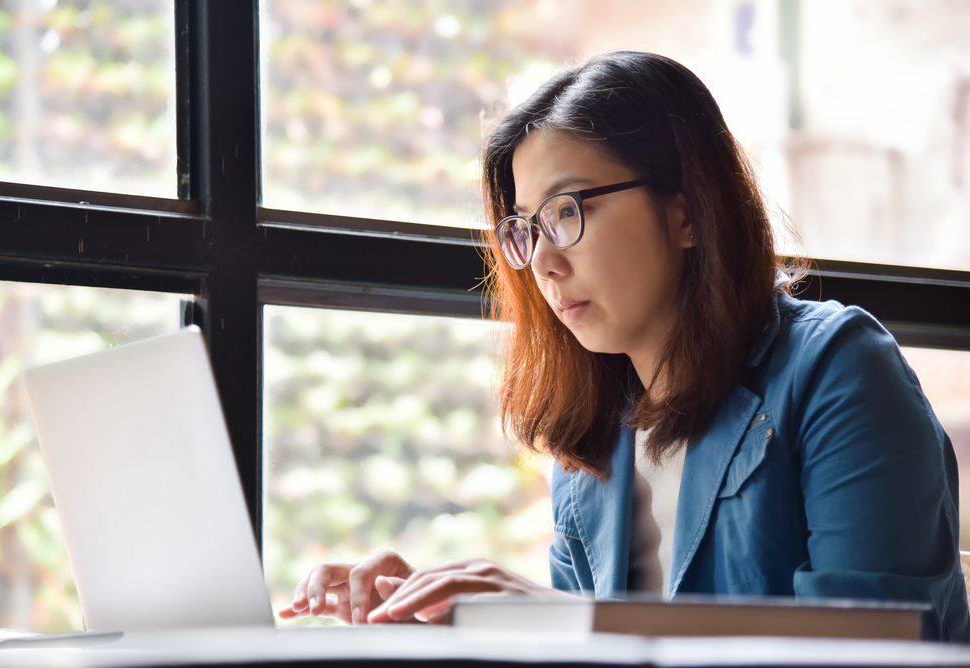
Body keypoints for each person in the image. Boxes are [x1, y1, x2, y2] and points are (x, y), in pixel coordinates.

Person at [277, 51, 970, 641]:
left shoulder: (837, 370)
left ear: (688, 210)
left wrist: (567, 618)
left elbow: (875, 649)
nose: (542, 263)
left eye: (567, 211)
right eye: (524, 229)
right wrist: (441, 620)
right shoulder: (590, 454)